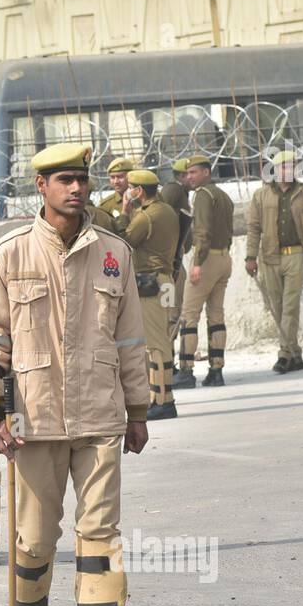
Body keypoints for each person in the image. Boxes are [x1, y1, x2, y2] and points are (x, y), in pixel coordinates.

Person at [0, 142, 149, 606]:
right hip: (32, 418)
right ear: (41, 187)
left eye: (81, 179)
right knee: (35, 538)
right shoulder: (9, 254)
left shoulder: (114, 251)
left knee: (100, 535)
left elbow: (131, 338)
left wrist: (139, 409)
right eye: (64, 180)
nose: (76, 188)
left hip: (99, 415)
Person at [245, 150, 303, 373]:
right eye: (284, 166)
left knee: (290, 305)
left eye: (292, 166)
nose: (289, 170)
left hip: (296, 255)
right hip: (269, 257)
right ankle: (295, 354)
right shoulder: (260, 195)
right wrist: (250, 257)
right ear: (276, 169)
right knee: (277, 306)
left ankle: (283, 354)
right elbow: (253, 228)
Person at [122, 169, 181, 420]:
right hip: (167, 280)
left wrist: (125, 212)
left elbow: (125, 240)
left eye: (130, 187)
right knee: (165, 337)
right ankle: (161, 396)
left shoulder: (145, 216)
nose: (128, 192)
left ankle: (162, 399)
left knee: (156, 344)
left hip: (150, 284)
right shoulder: (167, 211)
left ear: (138, 191)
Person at [172, 155, 234, 387]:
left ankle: (186, 370)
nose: (189, 177)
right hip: (224, 258)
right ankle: (216, 370)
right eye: (187, 173)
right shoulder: (224, 195)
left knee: (189, 315)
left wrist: (197, 262)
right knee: (216, 315)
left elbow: (203, 232)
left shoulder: (203, 196)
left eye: (194, 172)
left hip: (206, 260)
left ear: (206, 172)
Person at [162, 157, 194, 338]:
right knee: (172, 310)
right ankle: (167, 360)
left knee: (174, 309)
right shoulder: (174, 190)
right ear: (181, 176)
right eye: (188, 174)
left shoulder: (180, 192)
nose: (192, 178)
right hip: (170, 260)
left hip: (174, 257)